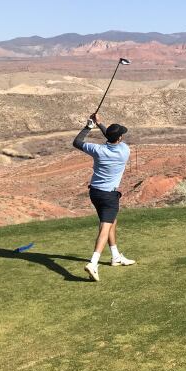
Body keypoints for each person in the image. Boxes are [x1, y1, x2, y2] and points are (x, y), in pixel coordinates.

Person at [72, 113, 135, 281]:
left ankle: (115, 256)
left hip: (95, 193)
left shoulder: (98, 150)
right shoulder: (124, 150)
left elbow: (77, 142)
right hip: (109, 195)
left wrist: (90, 125)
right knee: (105, 228)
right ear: (120, 137)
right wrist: (101, 125)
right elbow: (111, 135)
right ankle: (93, 263)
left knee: (112, 221)